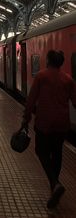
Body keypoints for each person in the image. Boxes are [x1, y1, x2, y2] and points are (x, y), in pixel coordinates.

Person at [22, 50, 76, 209]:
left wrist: (26, 118)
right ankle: (54, 186)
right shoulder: (68, 79)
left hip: (44, 122)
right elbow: (75, 102)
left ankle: (55, 183)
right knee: (57, 152)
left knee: (41, 151)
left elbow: (31, 100)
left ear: (48, 61)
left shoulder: (41, 76)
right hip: (62, 123)